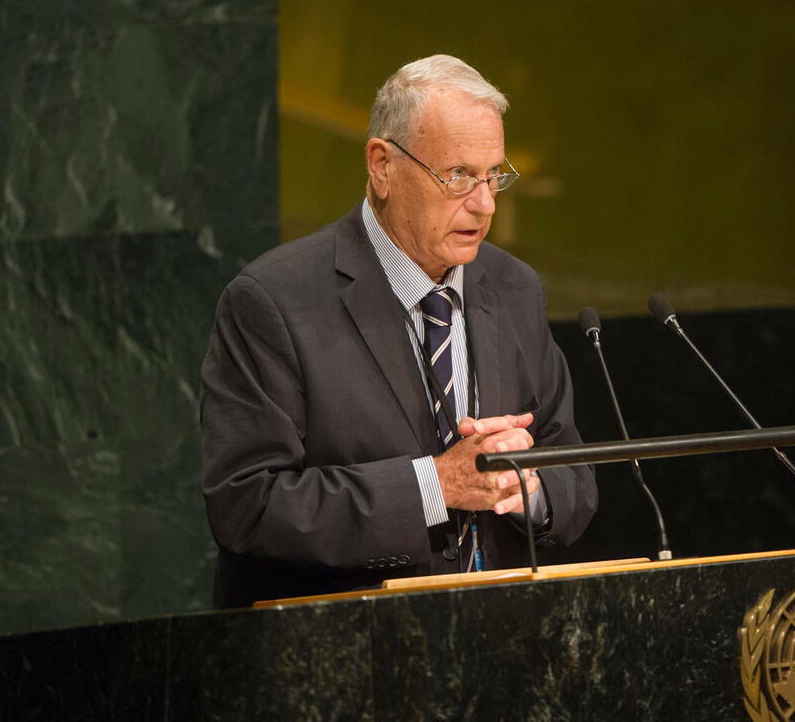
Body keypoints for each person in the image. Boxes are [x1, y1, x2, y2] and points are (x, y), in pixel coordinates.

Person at [199, 55, 598, 607]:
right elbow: (248, 506)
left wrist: (527, 486)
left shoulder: (514, 288)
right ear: (382, 165)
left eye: (493, 176)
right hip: (344, 642)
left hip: (500, 633)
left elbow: (573, 472)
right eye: (458, 175)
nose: (484, 204)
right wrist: (436, 486)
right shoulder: (274, 302)